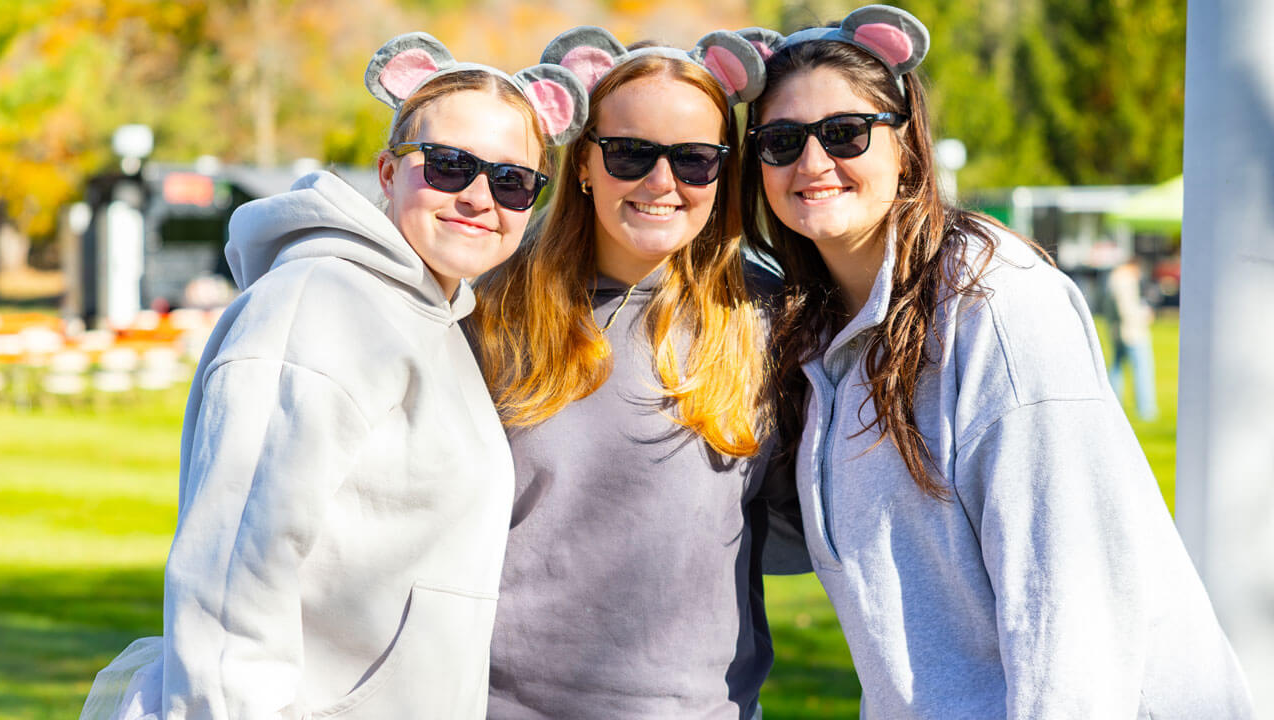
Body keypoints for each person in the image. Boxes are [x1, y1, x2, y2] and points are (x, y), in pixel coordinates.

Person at [740, 6, 1253, 718]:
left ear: (906, 145)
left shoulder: (997, 308)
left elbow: (1070, 608)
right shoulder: (818, 338)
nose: (813, 161)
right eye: (782, 140)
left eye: (845, 133)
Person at [80, 33, 586, 719]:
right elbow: (235, 577)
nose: (477, 196)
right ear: (386, 171)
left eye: (511, 180)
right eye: (446, 165)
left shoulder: (436, 319)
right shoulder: (318, 303)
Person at [470, 26, 801, 719]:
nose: (661, 182)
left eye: (693, 160)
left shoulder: (764, 315)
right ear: (584, 163)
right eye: (629, 153)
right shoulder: (488, 303)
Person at [1104, 254, 1159, 419]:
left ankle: (1112, 405)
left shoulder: (1112, 278)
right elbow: (1127, 309)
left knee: (1116, 369)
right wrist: (1145, 315)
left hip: (1116, 331)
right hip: (1132, 332)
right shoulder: (1125, 280)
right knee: (1142, 369)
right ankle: (1146, 410)